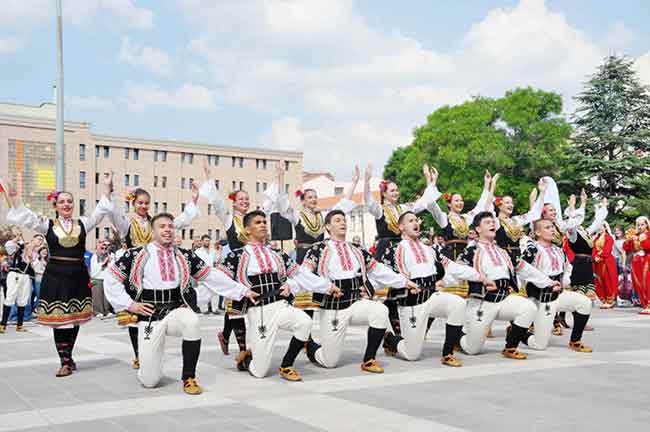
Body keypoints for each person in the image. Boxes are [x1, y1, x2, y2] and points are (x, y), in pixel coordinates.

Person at [104, 212, 256, 394]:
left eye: (170, 226)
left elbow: (211, 276)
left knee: (192, 322)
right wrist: (130, 304)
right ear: (152, 231)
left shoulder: (184, 255)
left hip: (175, 311)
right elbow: (111, 278)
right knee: (149, 380)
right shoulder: (136, 255)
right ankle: (152, 361)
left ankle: (189, 377)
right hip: (149, 316)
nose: (167, 230)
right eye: (162, 226)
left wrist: (243, 290)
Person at [5, 179, 114, 377]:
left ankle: (69, 355)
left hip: (78, 276)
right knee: (60, 320)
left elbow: (99, 214)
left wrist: (106, 189)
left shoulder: (82, 223)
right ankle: (64, 361)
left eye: (69, 201)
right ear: (55, 205)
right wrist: (14, 198)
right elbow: (28, 217)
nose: (66, 205)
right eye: (62, 201)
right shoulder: (48, 224)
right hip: (56, 275)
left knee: (74, 320)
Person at [218, 210, 335, 381]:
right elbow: (219, 278)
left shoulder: (277, 253)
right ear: (247, 229)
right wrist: (241, 290)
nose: (263, 225)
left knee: (305, 322)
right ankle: (247, 360)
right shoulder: (237, 255)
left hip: (280, 306)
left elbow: (301, 274)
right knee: (260, 372)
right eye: (258, 222)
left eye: (264, 222)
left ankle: (286, 365)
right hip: (259, 311)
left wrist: (327, 286)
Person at [303, 210, 419, 373]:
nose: (343, 223)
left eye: (344, 220)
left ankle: (369, 359)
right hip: (332, 306)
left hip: (355, 302)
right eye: (337, 220)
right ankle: (310, 346)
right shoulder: (318, 248)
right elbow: (304, 274)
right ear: (328, 226)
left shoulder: (356, 249)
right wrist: (325, 286)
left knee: (380, 310)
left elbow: (379, 270)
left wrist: (405, 282)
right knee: (329, 361)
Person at [105, 175, 200, 370]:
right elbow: (114, 215)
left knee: (154, 314)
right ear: (133, 203)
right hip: (136, 271)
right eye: (140, 203)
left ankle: (151, 351)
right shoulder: (128, 223)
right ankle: (139, 354)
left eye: (147, 203)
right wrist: (109, 192)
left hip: (156, 266)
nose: (144, 206)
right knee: (135, 317)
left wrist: (194, 200)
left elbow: (179, 221)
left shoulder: (156, 223)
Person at [452, 212, 557, 359]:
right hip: (483, 302)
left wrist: (549, 282)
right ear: (478, 229)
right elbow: (457, 270)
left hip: (503, 299)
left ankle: (510, 347)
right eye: (487, 222)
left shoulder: (503, 252)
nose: (492, 224)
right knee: (472, 349)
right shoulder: (471, 250)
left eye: (493, 222)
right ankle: (456, 335)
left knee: (528, 308)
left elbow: (526, 269)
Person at [380, 212, 479, 366]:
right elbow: (384, 274)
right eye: (410, 220)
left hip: (431, 296)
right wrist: (402, 283)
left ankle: (447, 353)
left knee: (458, 303)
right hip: (411, 301)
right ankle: (390, 339)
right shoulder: (394, 249)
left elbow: (452, 267)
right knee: (412, 354)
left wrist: (481, 277)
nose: (416, 223)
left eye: (416, 220)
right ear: (401, 227)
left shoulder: (430, 249)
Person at [267, 163, 359, 314]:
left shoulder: (323, 216)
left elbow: (342, 207)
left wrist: (354, 182)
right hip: (304, 257)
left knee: (323, 295)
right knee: (305, 298)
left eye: (315, 197)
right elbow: (283, 204)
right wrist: (281, 177)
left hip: (321, 258)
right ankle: (305, 334)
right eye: (310, 197)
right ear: (303, 201)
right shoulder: (298, 216)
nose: (313, 200)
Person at [519, 219, 593, 352]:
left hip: (558, 294)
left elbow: (567, 269)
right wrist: (546, 283)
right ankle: (518, 332)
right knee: (539, 344)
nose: (552, 230)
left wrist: (564, 283)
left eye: (552, 227)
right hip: (541, 299)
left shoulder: (559, 250)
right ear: (537, 232)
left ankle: (575, 340)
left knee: (585, 302)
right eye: (547, 228)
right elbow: (524, 271)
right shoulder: (533, 250)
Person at [427, 171, 495, 298]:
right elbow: (432, 205)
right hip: (450, 258)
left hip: (466, 257)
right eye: (456, 200)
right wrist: (432, 182)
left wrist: (486, 185)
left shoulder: (466, 218)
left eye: (461, 200)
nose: (460, 203)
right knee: (448, 289)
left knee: (468, 290)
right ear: (449, 204)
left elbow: (480, 207)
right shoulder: (444, 218)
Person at [0, 237, 34, 333]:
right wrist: (16, 239)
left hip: (26, 277)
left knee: (23, 299)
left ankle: (20, 325)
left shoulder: (33, 255)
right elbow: (8, 246)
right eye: (29, 243)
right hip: (15, 275)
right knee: (10, 297)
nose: (30, 245)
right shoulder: (18, 250)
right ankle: (3, 324)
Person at [623, 216, 650, 314]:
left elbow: (647, 246)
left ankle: (649, 304)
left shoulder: (648, 234)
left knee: (647, 282)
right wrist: (628, 240)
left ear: (647, 224)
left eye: (642, 224)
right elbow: (626, 248)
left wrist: (639, 239)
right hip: (635, 261)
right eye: (638, 225)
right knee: (638, 283)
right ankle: (645, 304)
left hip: (646, 260)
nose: (640, 227)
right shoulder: (635, 235)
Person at [593, 222, 618, 309]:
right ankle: (604, 299)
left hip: (607, 262)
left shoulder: (609, 237)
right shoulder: (596, 238)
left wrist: (599, 255)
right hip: (598, 262)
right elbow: (594, 249)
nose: (599, 228)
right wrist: (595, 256)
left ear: (605, 227)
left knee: (608, 280)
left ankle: (610, 300)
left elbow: (607, 250)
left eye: (601, 226)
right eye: (598, 226)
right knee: (600, 281)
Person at [89, 240, 114, 318]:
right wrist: (103, 263)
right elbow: (94, 270)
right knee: (97, 295)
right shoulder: (95, 256)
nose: (104, 249)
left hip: (107, 278)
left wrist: (109, 262)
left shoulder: (112, 255)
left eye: (106, 247)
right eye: (102, 247)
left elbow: (113, 267)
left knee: (107, 296)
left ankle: (107, 310)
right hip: (96, 279)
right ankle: (97, 311)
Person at [31, 246, 48, 317]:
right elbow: (36, 270)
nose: (44, 252)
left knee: (43, 297)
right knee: (39, 296)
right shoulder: (37, 260)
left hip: (46, 281)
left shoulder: (47, 261)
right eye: (43, 251)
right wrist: (45, 272)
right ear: (39, 252)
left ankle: (38, 310)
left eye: (46, 251)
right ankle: (34, 310)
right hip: (38, 280)